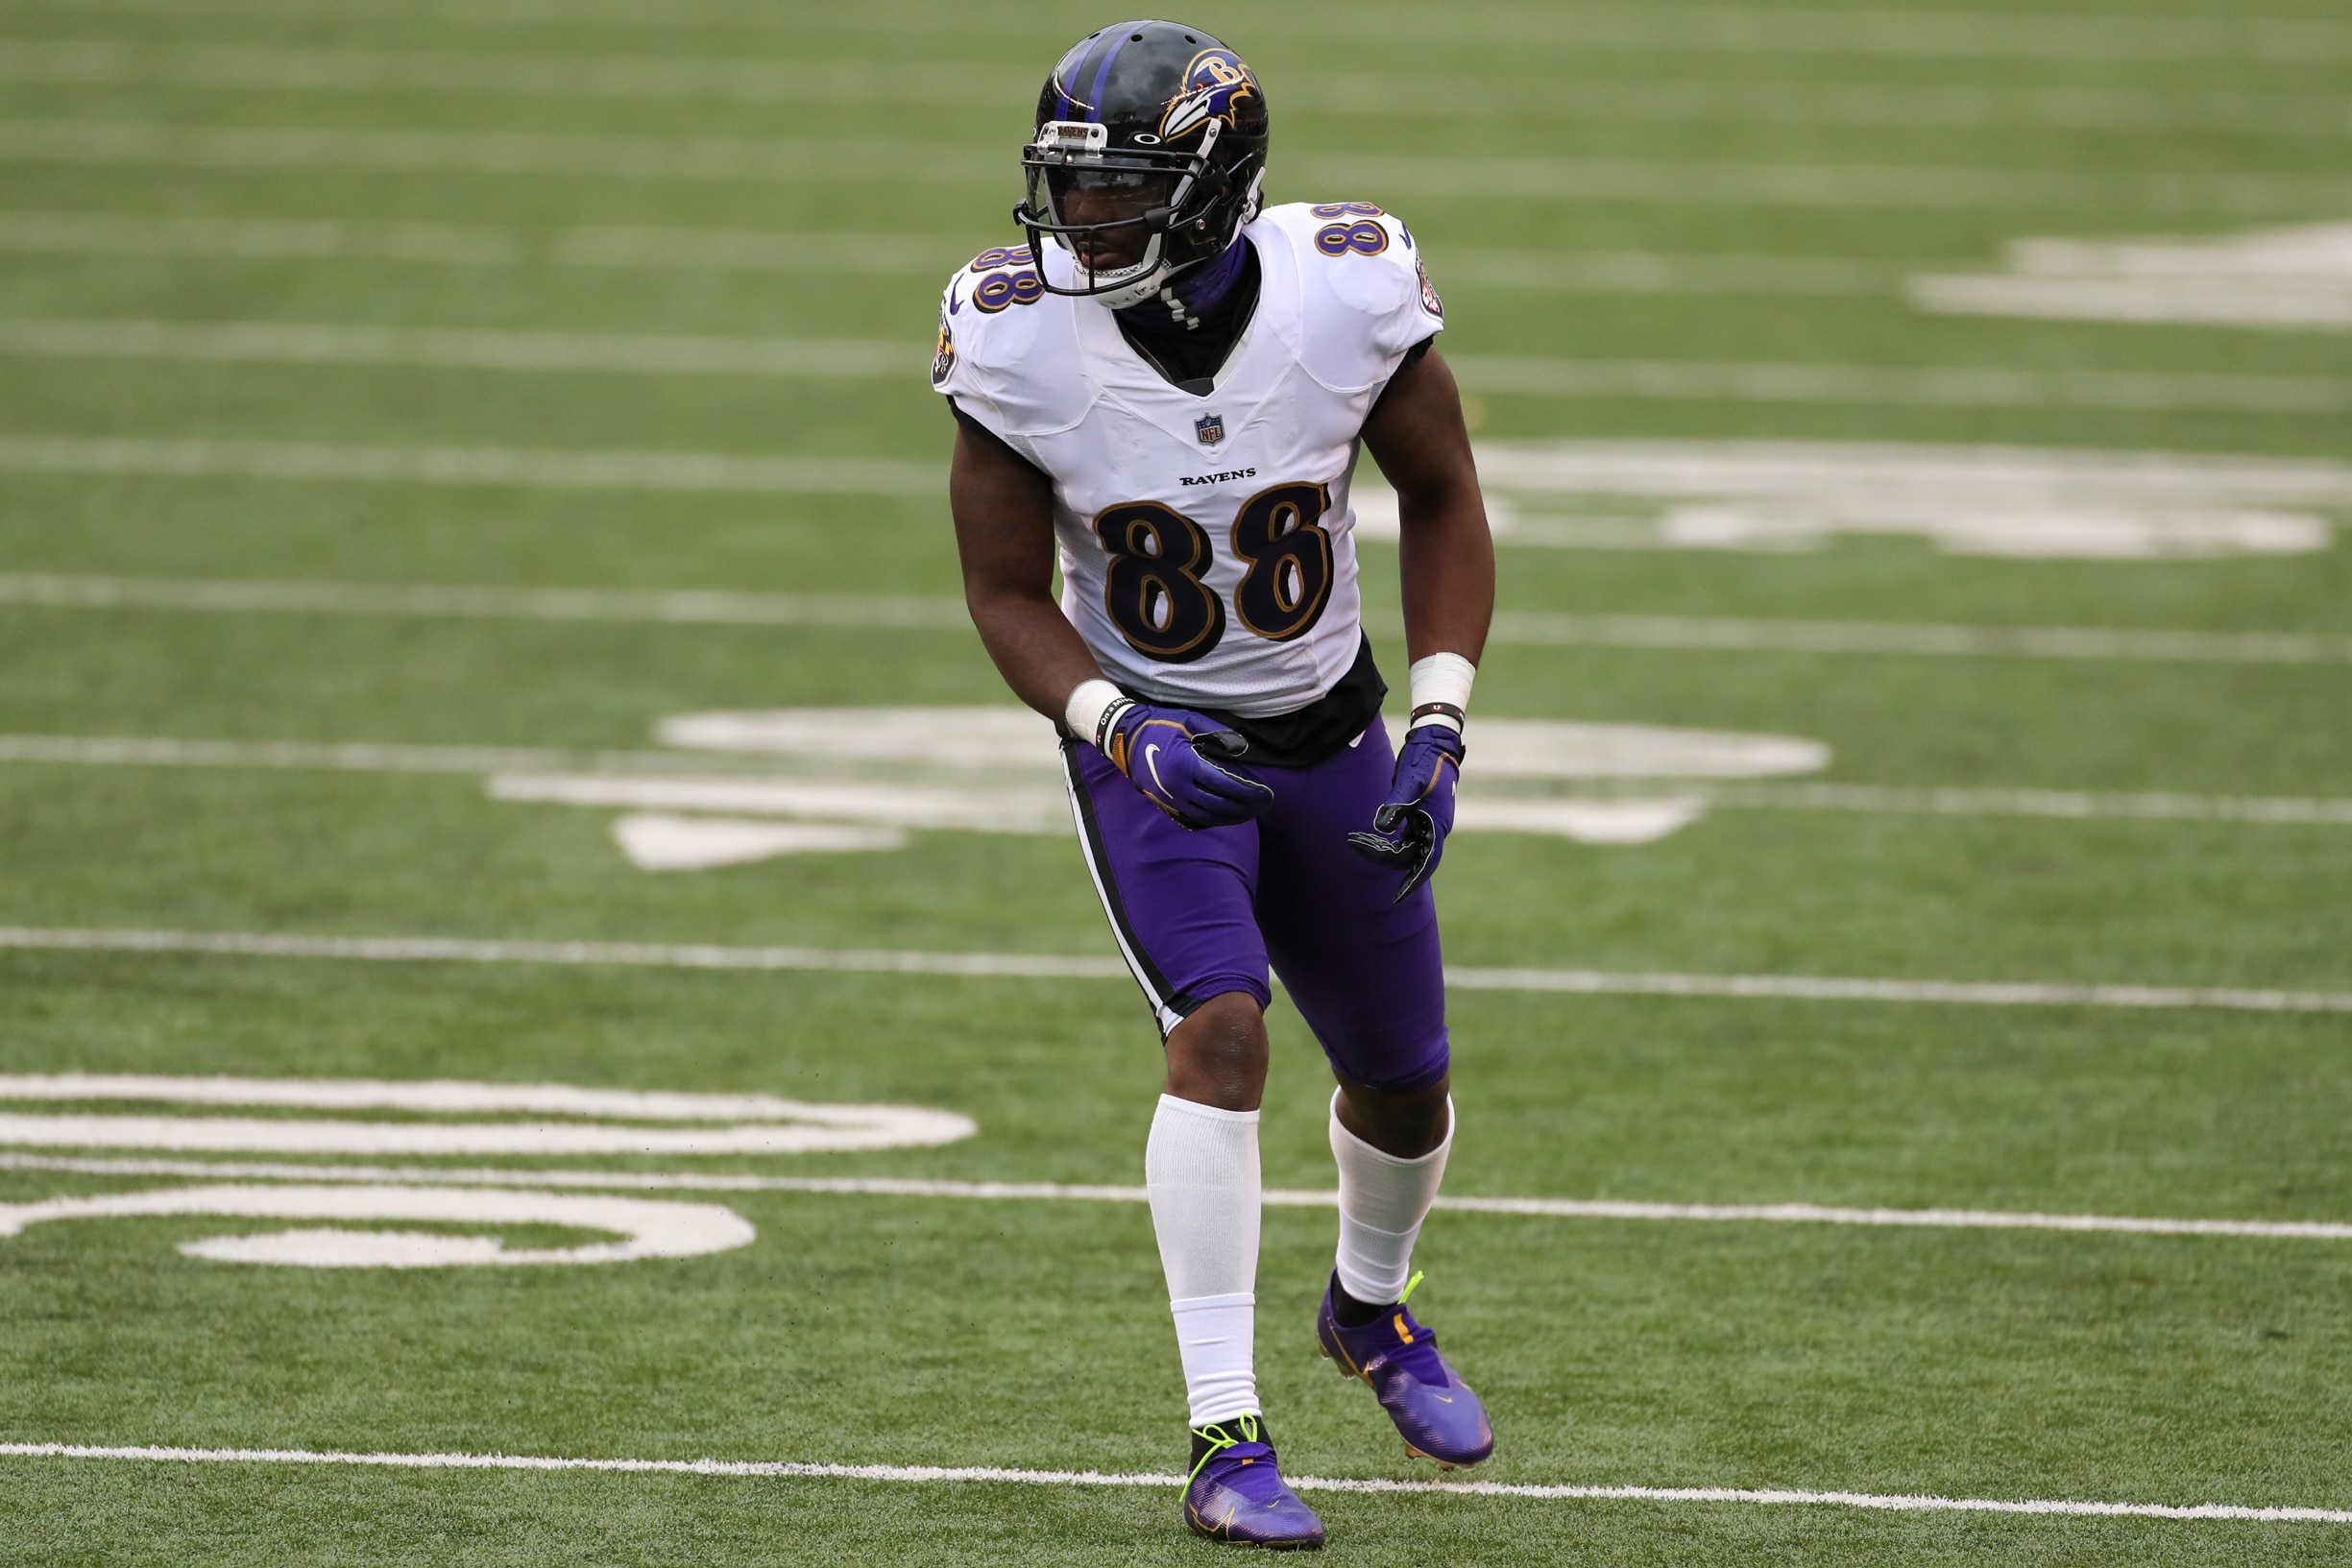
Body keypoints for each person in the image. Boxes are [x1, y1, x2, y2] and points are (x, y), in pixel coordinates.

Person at [939, 19, 1496, 1550]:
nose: (1076, 221)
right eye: (1067, 184)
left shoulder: (1344, 290)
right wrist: (1117, 727)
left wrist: (1439, 722)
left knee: (1402, 1076)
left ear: (1211, 191)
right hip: (1154, 741)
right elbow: (1001, 591)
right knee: (1224, 1033)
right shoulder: (1014, 335)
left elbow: (1443, 498)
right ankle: (1222, 1432)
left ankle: (1368, 1314)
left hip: (1329, 726)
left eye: (1113, 191)